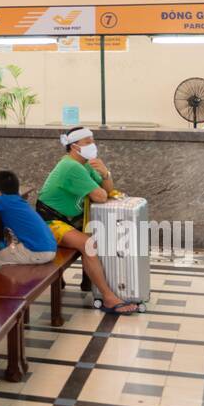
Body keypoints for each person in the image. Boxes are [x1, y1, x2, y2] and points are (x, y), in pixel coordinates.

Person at [35, 126, 137, 315]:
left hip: (69, 219)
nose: (93, 145)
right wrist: (102, 188)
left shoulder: (85, 164)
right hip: (49, 222)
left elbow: (106, 187)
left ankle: (89, 281)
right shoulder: (71, 166)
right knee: (89, 244)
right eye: (88, 142)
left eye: (93, 141)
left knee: (100, 236)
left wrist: (106, 173)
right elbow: (100, 196)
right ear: (75, 146)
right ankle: (108, 297)